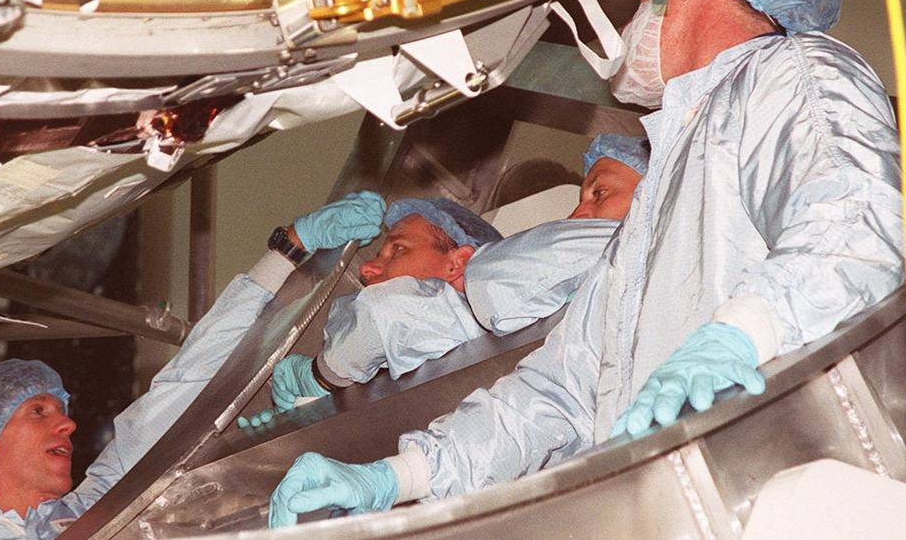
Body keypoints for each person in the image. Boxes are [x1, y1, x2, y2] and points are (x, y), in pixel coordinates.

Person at [266, 0, 906, 527]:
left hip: (781, 513)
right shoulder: (662, 190)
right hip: (665, 520)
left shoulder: (790, 74)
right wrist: (396, 474)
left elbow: (861, 222)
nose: (636, 17)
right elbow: (558, 391)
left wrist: (737, 336)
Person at [0, 191, 387, 540]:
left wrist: (288, 249)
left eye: (60, 410)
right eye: (37, 411)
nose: (68, 423)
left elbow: (190, 378)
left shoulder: (95, 503)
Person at [245, 135, 648, 426]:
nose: (367, 269)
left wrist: (318, 377)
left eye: (397, 249)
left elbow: (385, 315)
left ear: (459, 264)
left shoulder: (485, 298)